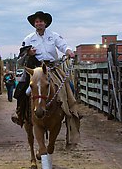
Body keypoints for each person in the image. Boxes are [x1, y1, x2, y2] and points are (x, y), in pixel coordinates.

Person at [11, 11, 81, 144]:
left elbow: (63, 46)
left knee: (69, 86)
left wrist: (69, 52)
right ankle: (19, 113)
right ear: (34, 24)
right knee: (23, 88)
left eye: (41, 21)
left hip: (53, 68)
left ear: (46, 23)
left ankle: (72, 111)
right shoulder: (29, 38)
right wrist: (29, 53)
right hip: (36, 68)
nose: (39, 23)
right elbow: (21, 57)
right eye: (37, 21)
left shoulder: (53, 36)